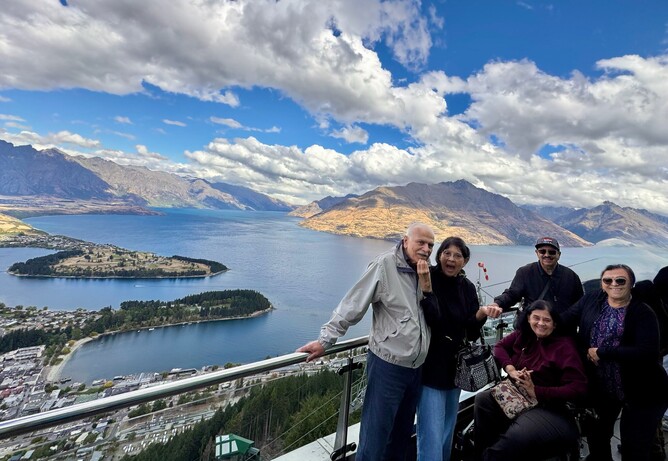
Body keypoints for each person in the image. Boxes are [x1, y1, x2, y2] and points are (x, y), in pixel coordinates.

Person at [297, 222, 436, 461]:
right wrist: (325, 340)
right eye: (420, 242)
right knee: (376, 434)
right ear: (405, 240)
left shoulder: (425, 271)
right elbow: (353, 304)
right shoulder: (384, 266)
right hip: (388, 366)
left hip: (416, 368)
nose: (426, 249)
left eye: (431, 245)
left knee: (401, 435)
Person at [562, 264, 668, 461]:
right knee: (598, 438)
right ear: (602, 284)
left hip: (641, 390)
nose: (614, 284)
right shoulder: (592, 300)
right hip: (603, 388)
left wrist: (603, 352)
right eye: (607, 280)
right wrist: (534, 323)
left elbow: (647, 352)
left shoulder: (642, 311)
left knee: (634, 446)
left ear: (631, 285)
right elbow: (563, 321)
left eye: (621, 280)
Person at [416, 237, 502, 461]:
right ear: (439, 255)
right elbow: (433, 319)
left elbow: (470, 331)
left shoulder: (467, 287)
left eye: (457, 255)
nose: (451, 259)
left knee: (446, 431)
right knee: (430, 434)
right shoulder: (428, 278)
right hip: (431, 367)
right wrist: (426, 288)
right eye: (447, 253)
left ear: (465, 261)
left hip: (456, 369)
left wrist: (482, 313)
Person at [473, 299, 587, 461]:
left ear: (555, 324)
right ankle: (481, 454)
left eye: (547, 320)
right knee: (483, 400)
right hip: (519, 398)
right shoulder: (524, 336)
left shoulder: (564, 347)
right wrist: (511, 369)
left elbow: (578, 388)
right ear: (528, 318)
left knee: (517, 435)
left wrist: (537, 391)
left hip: (550, 408)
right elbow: (499, 347)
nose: (541, 323)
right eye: (536, 318)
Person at [484, 236, 584, 333]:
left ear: (559, 254)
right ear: (537, 253)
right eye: (542, 251)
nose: (547, 255)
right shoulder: (525, 272)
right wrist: (497, 303)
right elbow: (512, 294)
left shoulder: (571, 276)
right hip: (535, 332)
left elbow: (581, 304)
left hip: (563, 332)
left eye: (552, 252)